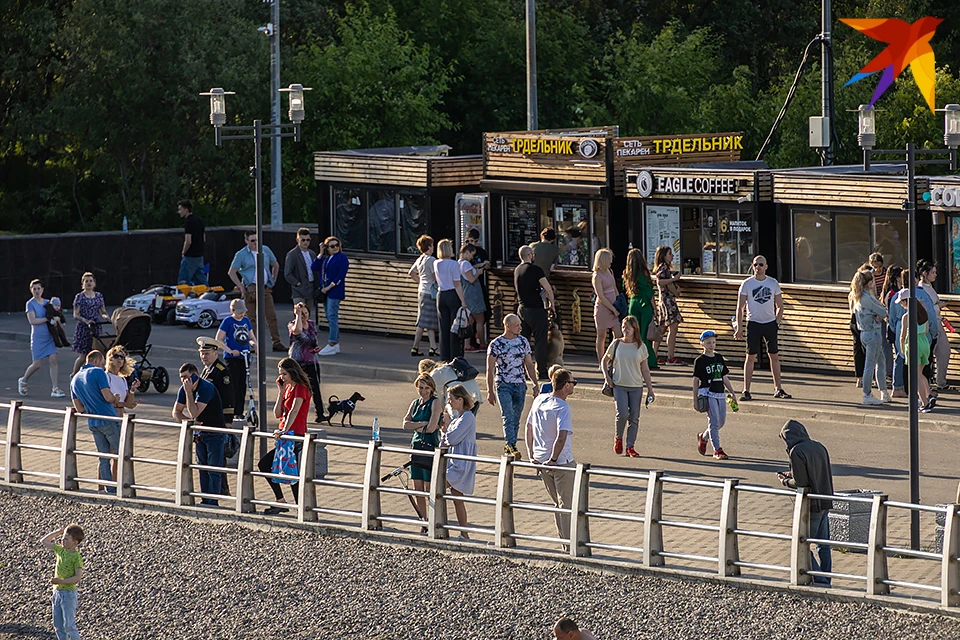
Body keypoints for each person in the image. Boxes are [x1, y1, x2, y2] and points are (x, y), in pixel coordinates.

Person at [777, 420, 835, 586]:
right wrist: (793, 473)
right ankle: (826, 578)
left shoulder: (796, 451)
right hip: (825, 501)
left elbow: (801, 483)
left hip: (812, 505)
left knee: (802, 542)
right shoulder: (818, 446)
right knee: (823, 546)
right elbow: (815, 471)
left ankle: (820, 580)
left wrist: (785, 481)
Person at [525, 367, 577, 542]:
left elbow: (528, 427)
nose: (574, 386)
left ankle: (563, 540)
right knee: (567, 505)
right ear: (565, 386)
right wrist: (554, 459)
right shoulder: (563, 407)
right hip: (560, 462)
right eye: (572, 383)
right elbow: (561, 437)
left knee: (558, 504)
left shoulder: (539, 400)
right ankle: (570, 544)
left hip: (541, 460)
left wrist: (532, 455)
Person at [735, 255, 791, 400]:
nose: (758, 267)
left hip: (769, 323)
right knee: (751, 356)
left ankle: (778, 388)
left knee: (774, 355)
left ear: (766, 266)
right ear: (752, 266)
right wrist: (739, 327)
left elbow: (780, 306)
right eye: (755, 265)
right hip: (753, 323)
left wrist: (776, 323)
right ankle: (746, 390)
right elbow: (740, 308)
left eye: (761, 265)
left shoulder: (773, 283)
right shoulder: (747, 284)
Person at [259, 358, 312, 514]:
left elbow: (294, 411)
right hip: (284, 434)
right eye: (280, 374)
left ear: (293, 372)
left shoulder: (300, 388)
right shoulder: (288, 388)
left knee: (275, 466)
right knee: (285, 468)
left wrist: (284, 431)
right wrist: (281, 391)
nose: (282, 377)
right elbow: (277, 413)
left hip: (294, 434)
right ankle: (288, 502)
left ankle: (295, 504)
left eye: (284, 374)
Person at [173, 362, 226, 506]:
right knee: (202, 468)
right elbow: (176, 412)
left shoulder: (206, 388)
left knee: (213, 469)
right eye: (181, 378)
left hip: (215, 433)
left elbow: (194, 411)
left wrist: (189, 393)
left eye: (186, 377)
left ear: (195, 376)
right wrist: (189, 422)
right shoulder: (184, 389)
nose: (184, 381)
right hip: (200, 433)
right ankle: (205, 499)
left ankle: (213, 501)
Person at [485, 314, 537, 461]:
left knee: (516, 417)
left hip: (520, 384)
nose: (520, 328)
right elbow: (490, 369)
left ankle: (510, 444)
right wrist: (490, 391)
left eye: (520, 325)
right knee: (508, 415)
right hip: (503, 384)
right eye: (517, 325)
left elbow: (529, 364)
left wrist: (535, 383)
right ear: (507, 326)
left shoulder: (523, 341)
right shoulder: (496, 344)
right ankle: (511, 445)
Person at [602, 316, 655, 458]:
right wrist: (607, 377)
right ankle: (618, 438)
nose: (625, 330)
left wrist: (650, 389)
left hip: (636, 386)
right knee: (622, 414)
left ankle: (630, 446)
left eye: (628, 328)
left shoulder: (641, 346)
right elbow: (604, 361)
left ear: (634, 329)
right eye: (623, 327)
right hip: (619, 384)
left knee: (634, 417)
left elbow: (645, 369)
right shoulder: (616, 344)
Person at [69, 351, 119, 493]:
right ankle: (124, 487)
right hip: (108, 418)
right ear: (97, 361)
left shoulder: (75, 379)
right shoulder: (98, 372)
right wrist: (115, 398)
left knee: (103, 458)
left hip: (93, 422)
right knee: (121, 453)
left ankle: (110, 488)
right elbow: (108, 397)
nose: (103, 366)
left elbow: (79, 408)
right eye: (103, 363)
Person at [228, 230, 284, 352]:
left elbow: (276, 265)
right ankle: (252, 344)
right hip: (251, 288)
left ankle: (276, 342)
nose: (256, 243)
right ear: (246, 241)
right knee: (250, 318)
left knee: (271, 316)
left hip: (265, 288)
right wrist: (241, 287)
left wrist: (273, 280)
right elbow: (232, 272)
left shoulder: (265, 249)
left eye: (257, 240)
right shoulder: (241, 254)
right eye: (253, 241)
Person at [402, 374, 445, 529]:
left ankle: (434, 519)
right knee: (417, 487)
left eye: (427, 388)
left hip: (429, 446)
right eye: (421, 387)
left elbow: (432, 427)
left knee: (428, 487)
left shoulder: (435, 402)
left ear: (432, 388)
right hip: (416, 446)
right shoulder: (415, 403)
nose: (423, 391)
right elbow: (405, 424)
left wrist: (416, 425)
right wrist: (421, 424)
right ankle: (423, 520)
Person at [197, 336, 235, 496]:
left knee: (217, 458)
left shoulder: (221, 371)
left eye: (207, 353)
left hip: (218, 421)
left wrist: (227, 422)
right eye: (202, 353)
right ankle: (218, 489)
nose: (204, 356)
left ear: (215, 352)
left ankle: (222, 490)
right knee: (210, 459)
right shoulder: (207, 370)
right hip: (206, 420)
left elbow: (228, 398)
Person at [693, 330, 738, 460]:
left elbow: (724, 376)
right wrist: (695, 399)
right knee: (714, 422)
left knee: (721, 422)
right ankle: (717, 450)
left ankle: (704, 437)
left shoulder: (718, 358)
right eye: (708, 343)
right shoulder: (700, 361)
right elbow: (695, 381)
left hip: (720, 392)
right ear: (702, 344)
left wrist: (732, 392)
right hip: (707, 392)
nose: (711, 345)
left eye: (713, 342)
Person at [440, 384, 477, 540]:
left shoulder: (468, 417)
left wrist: (446, 433)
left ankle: (436, 525)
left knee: (437, 487)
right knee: (457, 496)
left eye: (452, 398)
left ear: (460, 399)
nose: (449, 401)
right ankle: (464, 532)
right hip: (454, 459)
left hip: (461, 463)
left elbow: (452, 438)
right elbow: (445, 439)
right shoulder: (458, 418)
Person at [515, 245, 556, 381]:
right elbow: (548, 288)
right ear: (530, 255)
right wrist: (552, 304)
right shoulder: (536, 270)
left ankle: (521, 370)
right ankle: (542, 371)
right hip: (536, 309)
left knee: (523, 341)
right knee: (540, 341)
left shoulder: (517, 270)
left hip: (522, 309)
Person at [19, 279, 65, 398]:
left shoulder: (47, 303)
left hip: (50, 336)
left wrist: (58, 321)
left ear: (42, 290)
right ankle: (23, 380)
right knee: (37, 364)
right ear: (31, 290)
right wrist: (47, 319)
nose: (37, 291)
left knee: (53, 359)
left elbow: (56, 314)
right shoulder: (30, 304)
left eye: (39, 288)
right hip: (38, 338)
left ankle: (55, 388)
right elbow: (32, 321)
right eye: (34, 289)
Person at [849, 269, 890, 405]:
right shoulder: (867, 298)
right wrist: (878, 314)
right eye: (872, 281)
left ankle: (883, 392)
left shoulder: (857, 296)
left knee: (880, 361)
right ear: (868, 283)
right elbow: (883, 311)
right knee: (870, 364)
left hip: (865, 332)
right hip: (872, 332)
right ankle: (867, 394)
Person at [41, 523, 85, 640]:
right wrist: (58, 532)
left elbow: (77, 577)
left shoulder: (76, 557)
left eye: (66, 539)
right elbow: (44, 541)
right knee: (58, 625)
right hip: (57, 593)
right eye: (62, 538)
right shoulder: (60, 550)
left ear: (75, 542)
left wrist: (61, 581)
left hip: (68, 594)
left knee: (69, 625)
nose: (62, 540)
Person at [216, 298, 256, 421]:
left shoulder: (246, 321)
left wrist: (254, 344)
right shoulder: (227, 321)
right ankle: (230, 410)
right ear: (232, 310)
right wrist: (230, 351)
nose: (242, 314)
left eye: (243, 312)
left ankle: (239, 411)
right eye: (239, 312)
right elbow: (218, 339)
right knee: (233, 384)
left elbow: (252, 337)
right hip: (232, 358)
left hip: (244, 357)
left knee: (243, 384)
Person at [896, 289, 935, 412]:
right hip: (924, 342)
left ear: (905, 302)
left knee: (915, 375)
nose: (901, 305)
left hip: (913, 343)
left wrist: (902, 348)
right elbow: (927, 329)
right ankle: (929, 395)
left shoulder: (906, 316)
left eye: (902, 302)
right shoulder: (923, 312)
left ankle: (924, 403)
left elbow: (902, 335)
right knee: (921, 373)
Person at [918, 260, 952, 392]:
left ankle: (941, 382)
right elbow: (927, 308)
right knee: (928, 355)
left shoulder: (930, 287)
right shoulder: (921, 289)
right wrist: (940, 306)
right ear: (924, 274)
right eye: (933, 272)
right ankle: (927, 384)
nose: (935, 275)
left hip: (938, 322)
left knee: (944, 352)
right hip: (929, 324)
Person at [313, 236, 349, 356]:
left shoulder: (342, 258)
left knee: (332, 315)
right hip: (325, 290)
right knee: (329, 315)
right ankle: (335, 342)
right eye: (332, 246)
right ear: (327, 248)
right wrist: (320, 253)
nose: (335, 248)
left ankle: (332, 342)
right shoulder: (326, 258)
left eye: (336, 245)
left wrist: (329, 287)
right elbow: (314, 267)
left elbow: (340, 275)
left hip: (334, 290)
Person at [288, 302, 324, 422]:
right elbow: (298, 332)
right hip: (298, 361)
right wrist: (297, 315)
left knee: (315, 387)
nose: (304, 316)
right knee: (298, 388)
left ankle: (320, 413)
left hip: (311, 360)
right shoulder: (292, 324)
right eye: (301, 314)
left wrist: (316, 348)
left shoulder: (312, 324)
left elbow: (313, 340)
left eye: (305, 313)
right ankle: (292, 411)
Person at [433, 238, 468, 362]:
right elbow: (457, 284)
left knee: (444, 327)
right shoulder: (454, 264)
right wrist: (463, 301)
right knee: (455, 327)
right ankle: (455, 357)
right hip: (452, 294)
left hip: (441, 294)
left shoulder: (436, 263)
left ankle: (444, 357)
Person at [624, 248, 658, 370]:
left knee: (633, 334)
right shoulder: (644, 273)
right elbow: (649, 292)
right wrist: (655, 309)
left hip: (633, 303)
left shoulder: (627, 274)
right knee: (644, 334)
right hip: (645, 305)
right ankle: (649, 361)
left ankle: (634, 360)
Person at [652, 245, 684, 366]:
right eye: (670, 253)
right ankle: (670, 357)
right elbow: (660, 282)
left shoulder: (664, 268)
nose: (672, 256)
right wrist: (674, 279)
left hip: (664, 301)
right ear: (664, 255)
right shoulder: (663, 268)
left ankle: (654, 354)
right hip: (667, 301)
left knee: (662, 328)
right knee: (673, 327)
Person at [408, 234, 440, 357]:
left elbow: (411, 272)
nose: (433, 247)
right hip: (430, 292)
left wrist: (420, 281)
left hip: (421, 290)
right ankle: (416, 346)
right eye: (432, 245)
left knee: (427, 321)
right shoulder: (431, 260)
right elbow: (435, 275)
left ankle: (432, 347)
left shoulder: (420, 259)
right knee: (424, 321)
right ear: (429, 246)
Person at [71, 272, 108, 376]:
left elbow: (103, 311)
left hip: (96, 327)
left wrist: (107, 317)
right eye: (86, 281)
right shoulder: (80, 297)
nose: (89, 283)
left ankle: (92, 376)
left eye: (90, 281)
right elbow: (75, 314)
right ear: (83, 283)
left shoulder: (99, 296)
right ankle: (74, 374)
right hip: (84, 328)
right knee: (83, 356)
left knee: (97, 354)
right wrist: (86, 321)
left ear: (94, 283)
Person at [592, 248, 623, 364]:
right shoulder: (597, 276)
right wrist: (612, 309)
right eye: (609, 259)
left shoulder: (610, 271)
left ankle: (614, 358)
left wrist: (619, 301)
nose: (611, 261)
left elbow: (614, 287)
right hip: (603, 308)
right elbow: (600, 296)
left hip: (613, 305)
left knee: (618, 334)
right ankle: (601, 361)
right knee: (601, 336)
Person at [419, 359, 483, 411]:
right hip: (475, 396)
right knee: (468, 424)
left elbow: (438, 399)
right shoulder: (446, 367)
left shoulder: (434, 375)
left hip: (459, 398)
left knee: (454, 423)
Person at [459, 243, 489, 351]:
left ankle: (467, 344)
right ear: (467, 252)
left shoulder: (459, 263)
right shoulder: (466, 264)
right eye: (472, 254)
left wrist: (479, 265)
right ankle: (482, 343)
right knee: (480, 320)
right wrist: (479, 272)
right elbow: (471, 278)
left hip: (466, 293)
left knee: (470, 320)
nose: (472, 257)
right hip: (473, 294)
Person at [882, 266, 906, 397]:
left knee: (900, 356)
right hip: (896, 328)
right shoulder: (893, 294)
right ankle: (897, 386)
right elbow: (891, 316)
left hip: (895, 327)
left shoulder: (894, 292)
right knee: (900, 356)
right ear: (897, 277)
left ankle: (900, 385)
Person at [283, 227, 317, 312]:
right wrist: (297, 283)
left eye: (308, 240)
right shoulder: (292, 254)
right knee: (299, 314)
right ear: (297, 240)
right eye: (303, 240)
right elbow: (287, 273)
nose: (305, 242)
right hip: (299, 290)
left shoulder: (312, 254)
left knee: (308, 314)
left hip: (311, 288)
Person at [104, 345, 139, 421]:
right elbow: (106, 401)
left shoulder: (122, 379)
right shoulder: (106, 376)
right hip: (109, 415)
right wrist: (123, 404)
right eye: (116, 356)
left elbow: (128, 403)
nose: (119, 358)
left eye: (122, 357)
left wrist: (132, 390)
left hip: (121, 416)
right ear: (110, 359)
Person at [177, 199, 207, 285]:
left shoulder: (188, 222)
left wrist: (183, 252)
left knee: (183, 282)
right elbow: (203, 238)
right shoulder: (200, 220)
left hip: (190, 257)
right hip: (199, 256)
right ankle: (209, 295)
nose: (179, 212)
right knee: (202, 282)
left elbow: (188, 241)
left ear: (186, 209)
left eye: (180, 209)